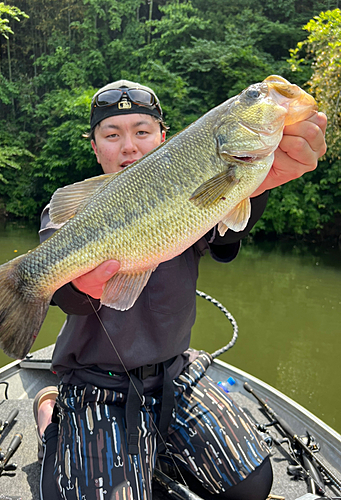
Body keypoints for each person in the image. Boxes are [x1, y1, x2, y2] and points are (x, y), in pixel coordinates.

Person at [34, 79, 327, 500]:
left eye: (142, 131)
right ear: (95, 147)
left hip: (176, 375)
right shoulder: (72, 210)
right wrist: (78, 284)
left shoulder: (192, 187)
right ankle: (50, 413)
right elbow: (67, 298)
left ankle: (155, 449)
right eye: (112, 135)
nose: (129, 147)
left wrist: (259, 185)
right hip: (95, 382)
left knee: (253, 486)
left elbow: (226, 236)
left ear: (163, 138)